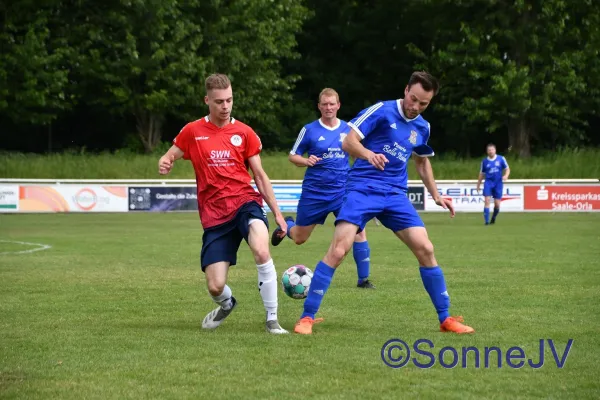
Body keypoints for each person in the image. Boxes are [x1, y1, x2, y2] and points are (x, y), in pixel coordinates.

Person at [293, 71, 475, 335]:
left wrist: (435, 194)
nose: (415, 107)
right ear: (406, 91)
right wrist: (369, 154)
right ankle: (307, 318)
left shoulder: (422, 126)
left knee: (426, 248)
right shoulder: (381, 111)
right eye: (413, 99)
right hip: (362, 189)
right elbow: (348, 141)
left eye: (423, 103)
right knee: (339, 250)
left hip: (395, 195)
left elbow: (421, 161)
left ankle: (446, 319)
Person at [158, 73, 289, 334]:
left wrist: (277, 213)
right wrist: (165, 161)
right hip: (215, 216)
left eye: (229, 100)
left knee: (262, 250)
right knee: (215, 286)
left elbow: (260, 176)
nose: (225, 106)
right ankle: (227, 303)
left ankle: (272, 319)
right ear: (207, 100)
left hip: (245, 203)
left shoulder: (245, 132)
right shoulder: (192, 131)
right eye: (219, 101)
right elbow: (171, 154)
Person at [270, 88, 375, 289]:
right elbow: (293, 156)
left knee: (359, 231)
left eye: (331, 104)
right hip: (315, 193)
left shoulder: (348, 130)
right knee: (300, 238)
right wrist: (306, 160)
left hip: (342, 191)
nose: (328, 107)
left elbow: (359, 153)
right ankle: (288, 226)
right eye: (324, 104)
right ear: (319, 106)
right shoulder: (309, 130)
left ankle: (364, 280)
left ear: (338, 105)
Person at [476, 144, 510, 225]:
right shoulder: (484, 161)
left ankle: (493, 217)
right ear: (487, 151)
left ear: (495, 150)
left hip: (498, 183)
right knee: (487, 200)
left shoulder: (501, 159)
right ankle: (486, 221)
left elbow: (507, 169)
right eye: (489, 150)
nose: (491, 151)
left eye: (492, 150)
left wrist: (506, 175)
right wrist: (478, 184)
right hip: (488, 183)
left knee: (497, 204)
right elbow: (481, 174)